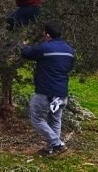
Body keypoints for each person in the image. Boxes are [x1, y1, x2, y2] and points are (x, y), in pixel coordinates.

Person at [21, 21, 75, 157]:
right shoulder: (70, 50)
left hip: (46, 93)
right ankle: (51, 149)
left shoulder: (45, 48)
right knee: (55, 120)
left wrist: (23, 44)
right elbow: (69, 68)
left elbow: (26, 54)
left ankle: (57, 144)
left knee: (37, 119)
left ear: (47, 35)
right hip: (62, 94)